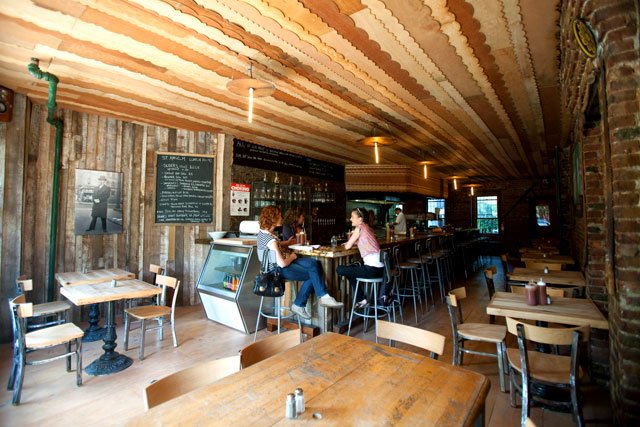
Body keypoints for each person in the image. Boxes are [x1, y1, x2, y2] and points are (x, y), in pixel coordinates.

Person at [257, 205, 343, 320]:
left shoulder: (263, 234)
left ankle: (324, 297)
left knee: (313, 264)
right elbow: (282, 264)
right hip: (277, 271)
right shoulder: (271, 240)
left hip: (271, 269)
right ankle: (300, 304)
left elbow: (274, 245)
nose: (281, 218)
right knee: (313, 275)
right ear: (273, 218)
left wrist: (286, 243)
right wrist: (292, 257)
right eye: (279, 216)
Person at [337, 207, 385, 308]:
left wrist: (349, 242)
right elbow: (363, 241)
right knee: (350, 271)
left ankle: (362, 299)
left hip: (372, 270)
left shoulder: (359, 228)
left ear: (360, 219)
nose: (350, 219)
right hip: (381, 269)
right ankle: (362, 299)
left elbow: (347, 247)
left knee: (340, 269)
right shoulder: (367, 227)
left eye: (352, 217)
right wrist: (354, 242)